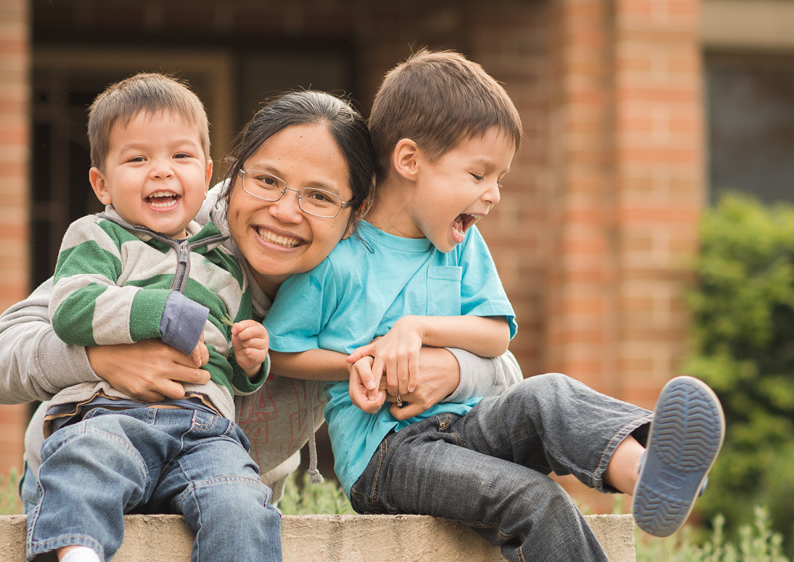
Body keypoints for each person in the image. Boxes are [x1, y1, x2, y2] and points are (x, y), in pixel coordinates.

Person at [0, 86, 525, 556]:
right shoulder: (176, 243)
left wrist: (448, 369)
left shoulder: (366, 279)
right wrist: (99, 357)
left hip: (219, 499)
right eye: (266, 181)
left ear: (355, 216)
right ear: (230, 177)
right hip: (98, 469)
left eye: (319, 196)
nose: (285, 211)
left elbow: (505, 372)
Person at [263, 49, 725, 562]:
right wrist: (359, 362)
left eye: (499, 179)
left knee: (548, 393)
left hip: (470, 423)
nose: (494, 195)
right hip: (389, 455)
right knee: (535, 499)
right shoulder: (339, 256)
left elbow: (496, 335)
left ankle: (647, 470)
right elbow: (280, 351)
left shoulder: (460, 244)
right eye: (479, 174)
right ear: (410, 160)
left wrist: (417, 329)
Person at [26, 72, 281, 562]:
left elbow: (224, 360)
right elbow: (72, 308)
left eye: (180, 156)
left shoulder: (226, 262)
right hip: (109, 413)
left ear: (206, 175)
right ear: (101, 183)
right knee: (83, 462)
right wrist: (157, 311)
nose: (161, 171)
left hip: (205, 428)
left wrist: (251, 361)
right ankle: (78, 554)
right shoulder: (96, 239)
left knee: (243, 502)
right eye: (138, 158)